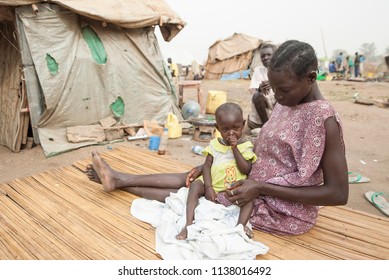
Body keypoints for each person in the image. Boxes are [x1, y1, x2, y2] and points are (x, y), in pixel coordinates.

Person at [86, 39, 349, 236]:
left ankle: (119, 182)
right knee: (195, 177)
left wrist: (260, 188)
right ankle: (118, 179)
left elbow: (338, 194)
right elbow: (268, 149)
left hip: (279, 205)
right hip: (253, 181)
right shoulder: (290, 102)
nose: (276, 97)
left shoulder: (323, 120)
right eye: (274, 88)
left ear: (311, 78)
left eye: (284, 90)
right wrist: (217, 159)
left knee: (192, 192)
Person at [176, 102, 257, 240]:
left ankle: (241, 226)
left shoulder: (246, 146)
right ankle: (188, 224)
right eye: (225, 129)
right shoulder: (214, 144)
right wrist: (208, 187)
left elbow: (246, 168)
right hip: (213, 184)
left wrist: (235, 148)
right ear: (217, 128)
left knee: (250, 199)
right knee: (195, 185)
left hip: (233, 188)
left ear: (243, 125)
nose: (231, 133)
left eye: (236, 128)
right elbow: (206, 166)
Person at [247, 42, 277, 132]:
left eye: (269, 55)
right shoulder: (258, 71)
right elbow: (253, 90)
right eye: (263, 56)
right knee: (257, 96)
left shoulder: (282, 70)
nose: (266, 58)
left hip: (278, 103)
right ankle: (266, 125)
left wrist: (274, 85)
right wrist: (259, 89)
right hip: (265, 106)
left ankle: (277, 123)